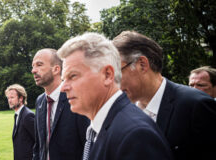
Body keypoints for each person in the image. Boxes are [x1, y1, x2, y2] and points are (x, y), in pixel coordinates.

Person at [57, 32, 172, 160]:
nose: (63, 88)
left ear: (107, 75)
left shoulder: (135, 135)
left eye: (72, 76)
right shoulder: (104, 127)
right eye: (63, 79)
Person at [113, 31, 216, 160]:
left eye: (116, 72)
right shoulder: (121, 112)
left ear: (142, 64)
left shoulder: (196, 105)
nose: (112, 81)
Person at [31, 48, 89, 160]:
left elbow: (88, 145)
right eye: (33, 66)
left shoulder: (76, 97)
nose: (33, 70)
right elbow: (38, 145)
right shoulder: (40, 101)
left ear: (56, 69)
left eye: (39, 65)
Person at [5, 84, 35, 160]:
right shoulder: (17, 114)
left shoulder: (28, 116)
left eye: (12, 97)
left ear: (21, 98)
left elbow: (39, 142)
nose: (9, 100)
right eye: (8, 98)